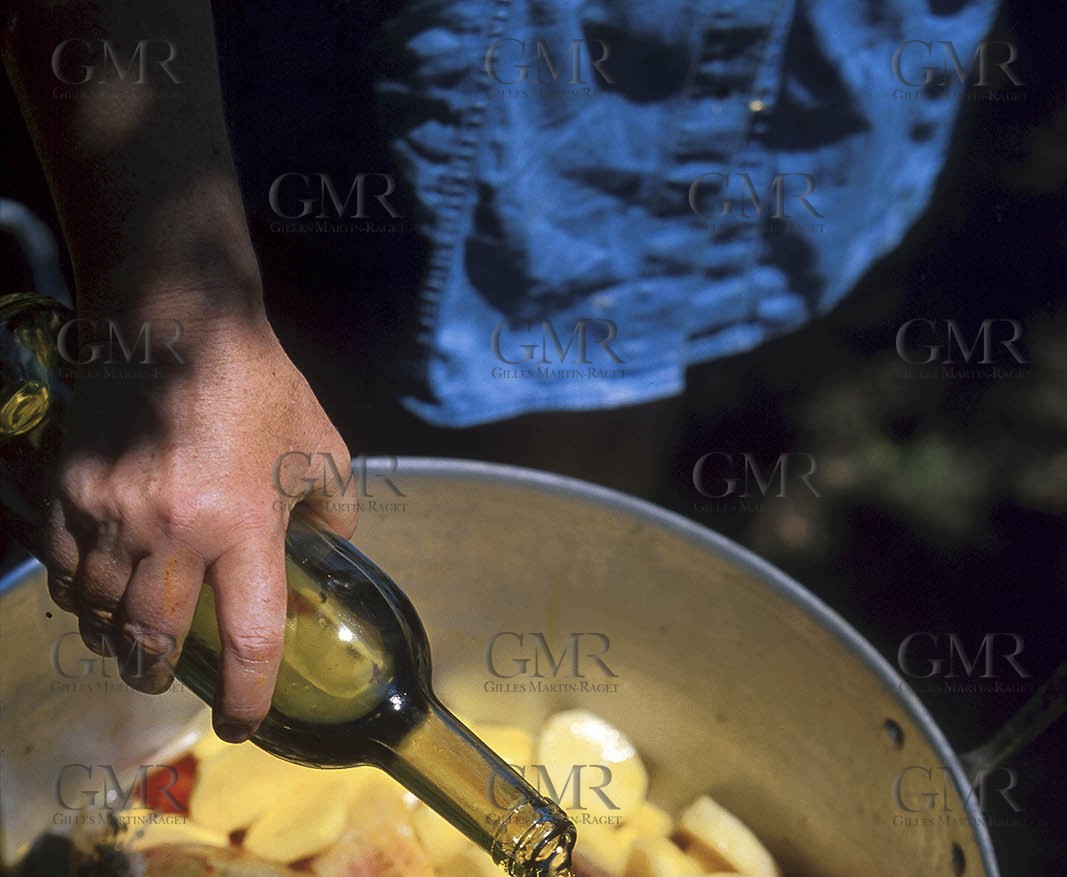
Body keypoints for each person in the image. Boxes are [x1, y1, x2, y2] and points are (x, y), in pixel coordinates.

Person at [1, 0, 997, 739]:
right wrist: (174, 314)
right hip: (379, 78)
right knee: (277, 452)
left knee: (599, 411)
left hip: (769, 72)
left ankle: (500, 708)